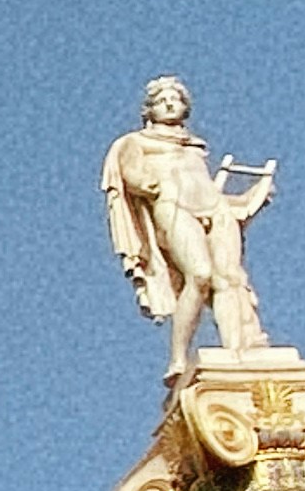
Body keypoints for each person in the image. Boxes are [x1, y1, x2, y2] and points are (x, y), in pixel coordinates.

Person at [102, 75, 276, 370]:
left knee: (229, 279)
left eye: (176, 99)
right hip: (174, 207)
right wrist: (152, 182)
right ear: (149, 111)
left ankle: (239, 348)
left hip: (216, 207)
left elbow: (207, 187)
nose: (170, 104)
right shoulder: (135, 142)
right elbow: (133, 178)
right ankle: (178, 358)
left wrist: (250, 197)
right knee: (200, 274)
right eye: (161, 100)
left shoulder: (195, 147)